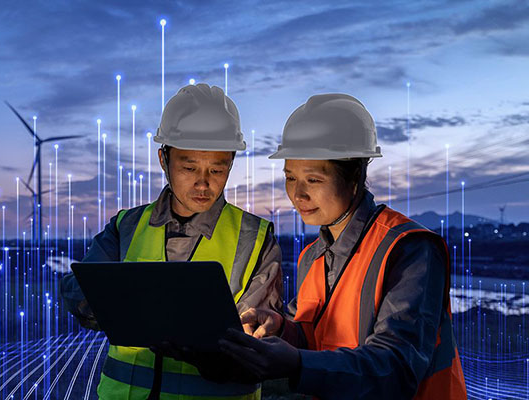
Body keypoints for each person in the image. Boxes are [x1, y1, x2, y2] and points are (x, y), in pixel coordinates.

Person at [217, 94, 467, 399]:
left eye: (313, 179)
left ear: (355, 178)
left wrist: (296, 365)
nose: (297, 194)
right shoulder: (313, 257)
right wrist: (281, 328)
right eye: (290, 177)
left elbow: (397, 369)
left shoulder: (409, 249)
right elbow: (316, 339)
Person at [60, 83, 283, 400]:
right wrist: (109, 303)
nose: (203, 183)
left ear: (232, 162)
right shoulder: (126, 226)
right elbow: (76, 291)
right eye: (189, 167)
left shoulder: (255, 237)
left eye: (217, 169)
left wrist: (208, 352)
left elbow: (257, 350)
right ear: (164, 158)